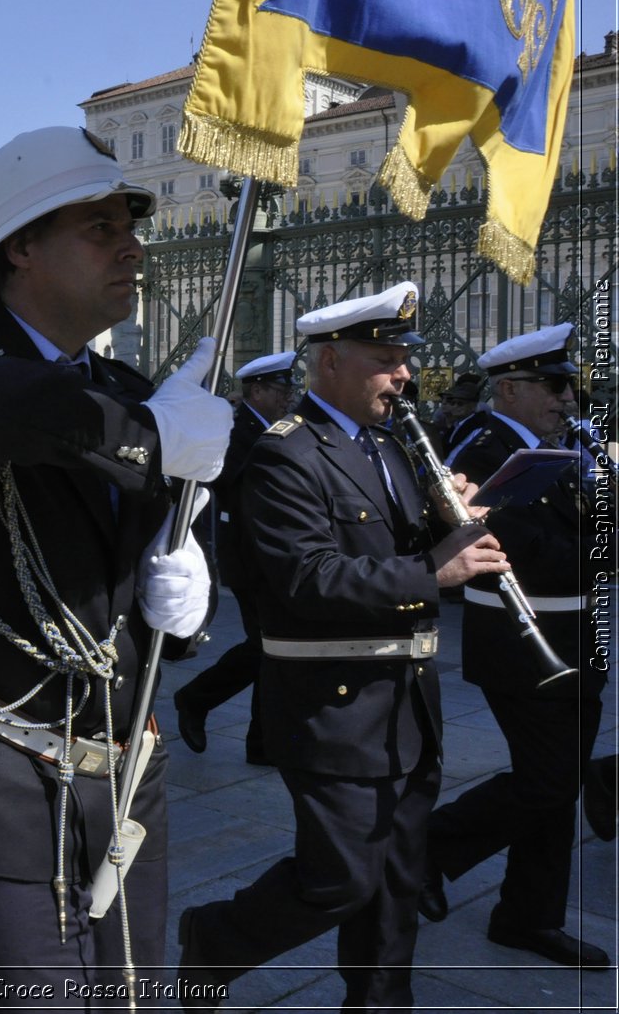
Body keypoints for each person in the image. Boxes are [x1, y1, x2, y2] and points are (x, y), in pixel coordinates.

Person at [0, 125, 231, 1002]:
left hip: (127, 772)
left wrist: (190, 580)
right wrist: (153, 439)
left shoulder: (126, 394)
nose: (132, 244)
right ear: (20, 246)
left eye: (132, 223)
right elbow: (4, 407)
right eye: (100, 227)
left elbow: (153, 540)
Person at [179, 282, 513, 1011]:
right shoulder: (285, 457)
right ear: (329, 361)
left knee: (395, 884)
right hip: (331, 706)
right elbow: (309, 576)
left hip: (406, 704)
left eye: (403, 357)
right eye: (386, 356)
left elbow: (393, 545)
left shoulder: (390, 444)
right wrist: (434, 567)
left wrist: (451, 525)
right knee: (340, 880)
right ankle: (214, 937)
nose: (403, 373)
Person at [418, 324, 610, 969]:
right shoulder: (487, 448)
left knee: (556, 792)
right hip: (522, 642)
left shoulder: (563, 446)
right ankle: (429, 848)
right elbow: (528, 551)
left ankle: (529, 917)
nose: (567, 396)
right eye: (554, 385)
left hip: (578, 633)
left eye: (569, 384)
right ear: (510, 388)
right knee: (548, 780)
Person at [172, 349, 297, 764]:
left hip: (275, 551)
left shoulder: (281, 428)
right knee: (266, 646)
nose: (288, 396)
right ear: (256, 389)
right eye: (280, 388)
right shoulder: (235, 428)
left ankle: (261, 741)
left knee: (272, 645)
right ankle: (196, 699)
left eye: (289, 387)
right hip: (246, 553)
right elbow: (226, 480)